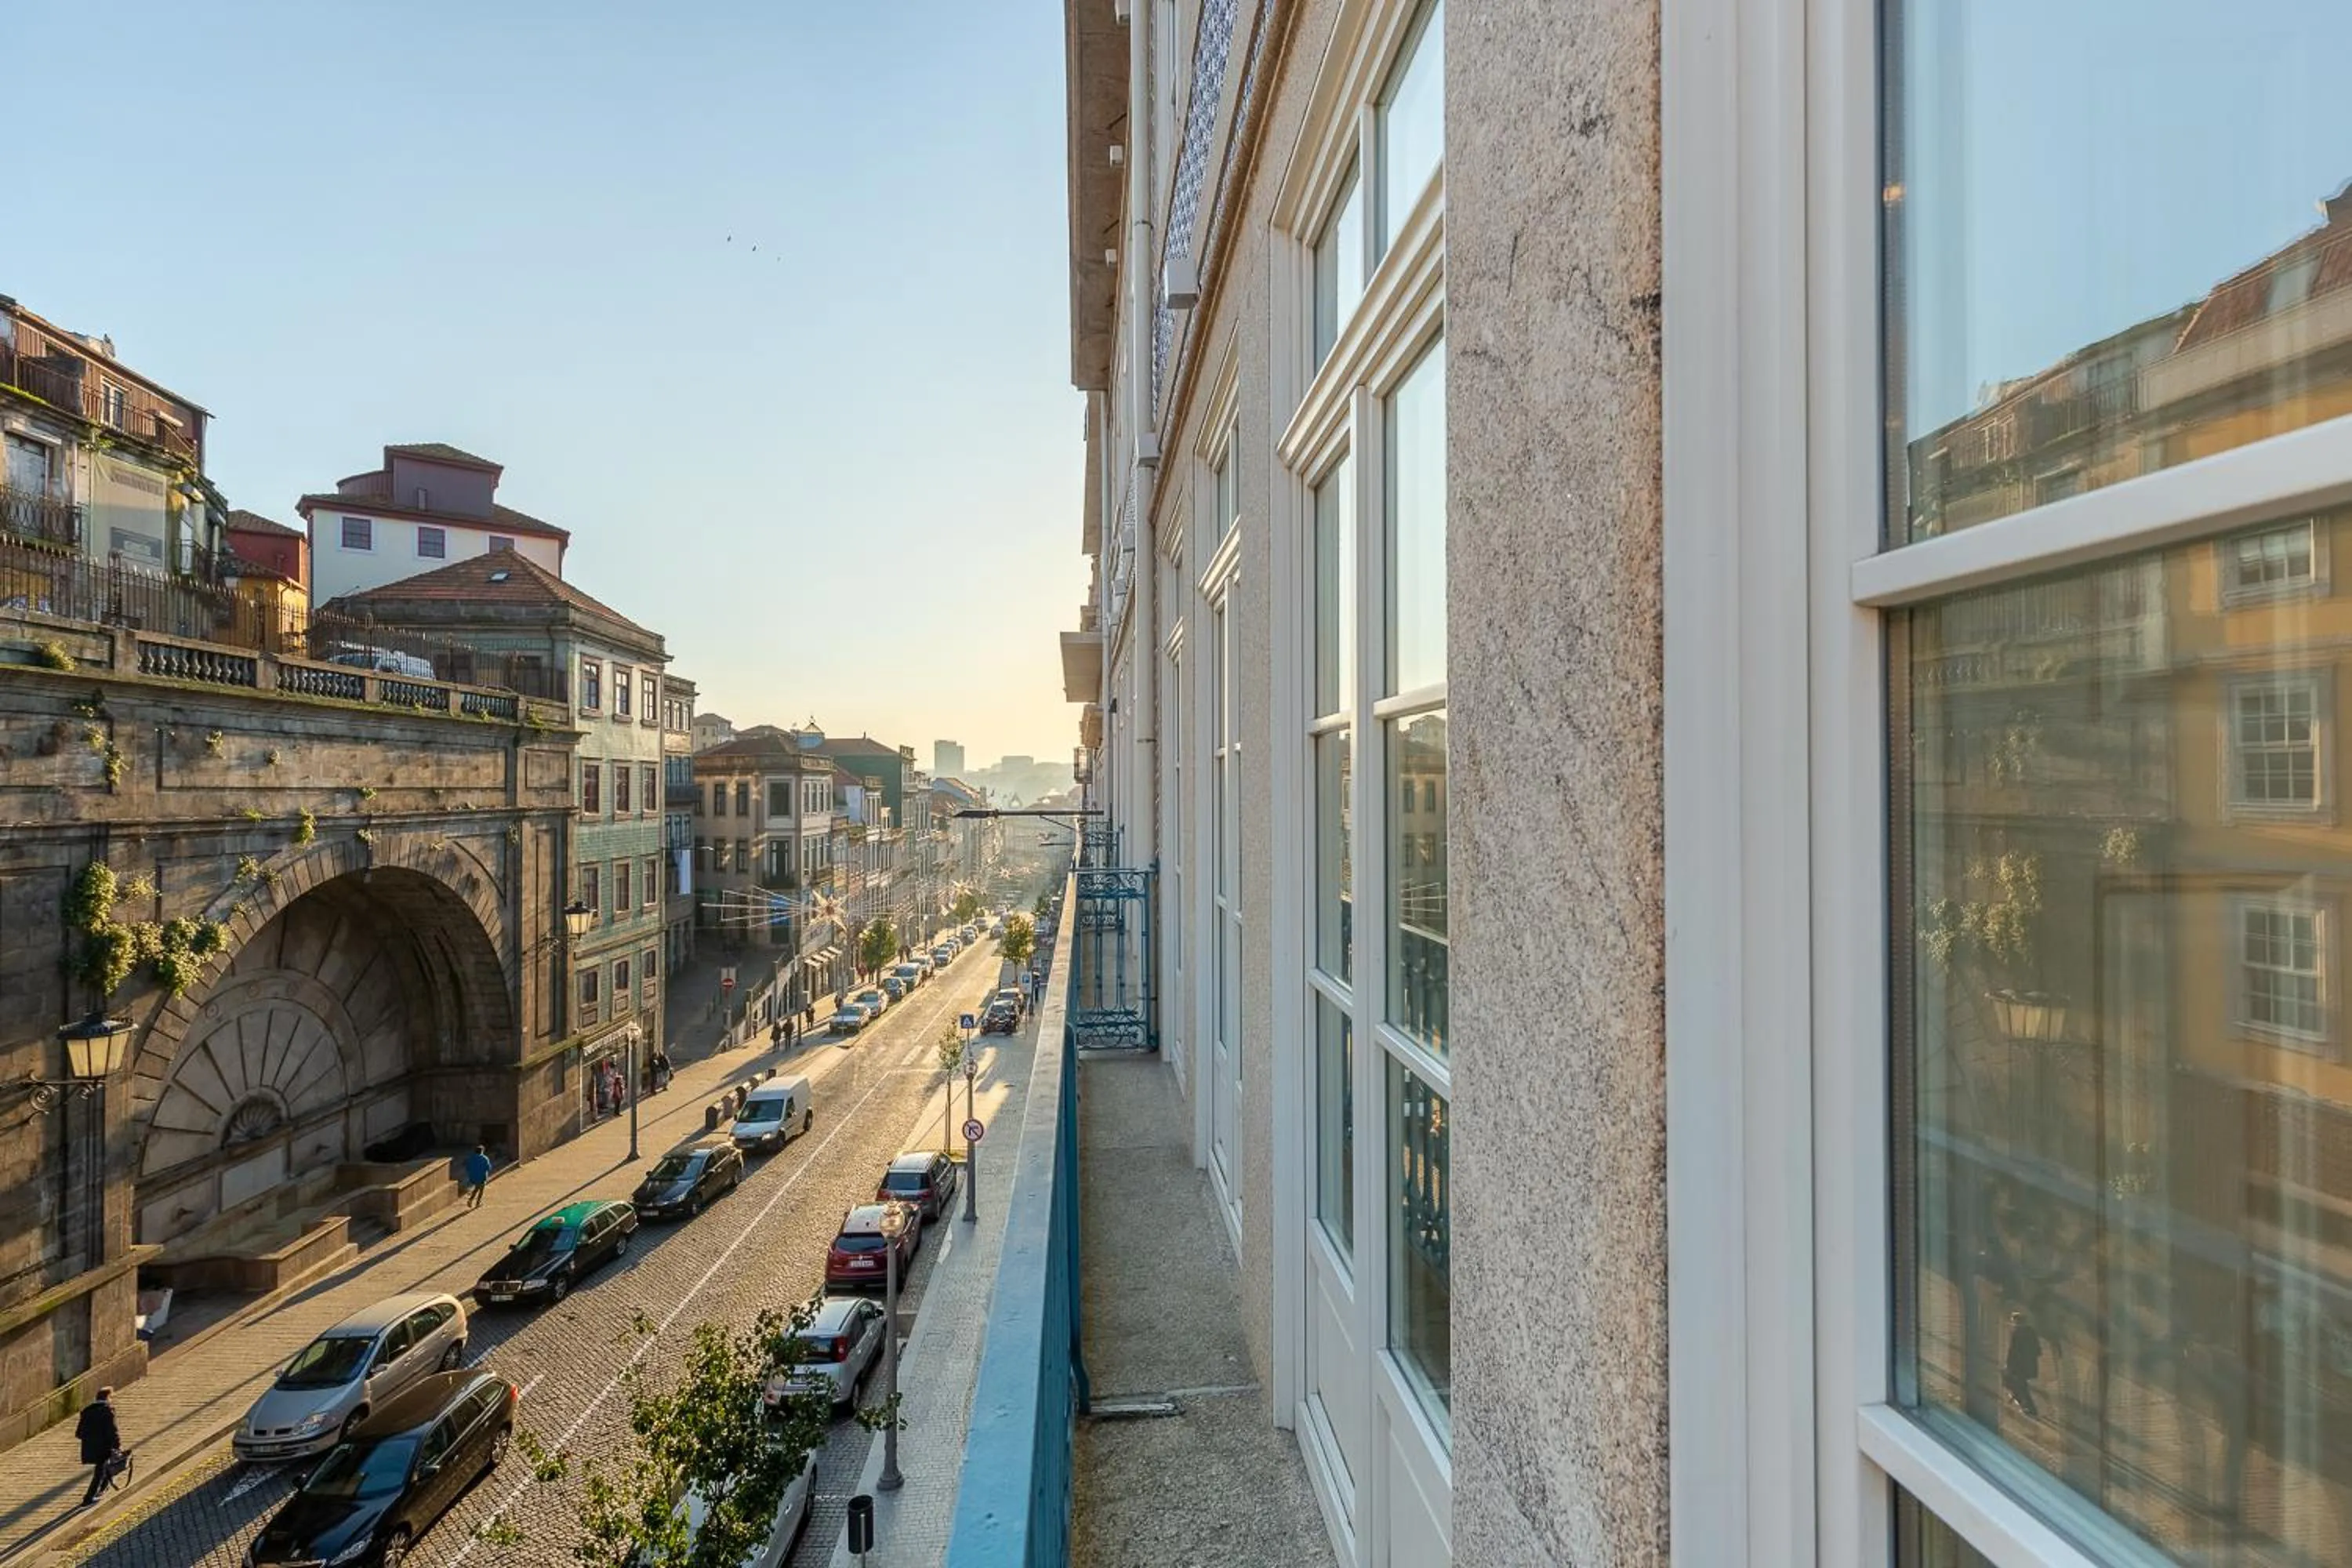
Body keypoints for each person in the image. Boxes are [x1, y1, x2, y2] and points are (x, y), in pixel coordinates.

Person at [76, 1388, 120, 1506]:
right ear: (108, 1397)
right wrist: (117, 1446)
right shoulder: (108, 1411)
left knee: (104, 1467)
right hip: (104, 1447)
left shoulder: (87, 1411)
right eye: (111, 1397)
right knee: (99, 1472)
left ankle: (103, 1489)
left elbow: (79, 1433)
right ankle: (89, 1498)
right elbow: (112, 1431)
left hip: (89, 1447)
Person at [2003, 1309, 2043, 1417]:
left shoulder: (2016, 1333)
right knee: (2021, 1385)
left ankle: (2030, 1408)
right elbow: (2038, 1351)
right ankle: (2024, 1404)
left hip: (2018, 1366)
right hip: (2029, 1365)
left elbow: (2012, 1351)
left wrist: (2008, 1365)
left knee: (2016, 1385)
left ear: (2016, 1321)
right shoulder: (2031, 1332)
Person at [462, 1145, 493, 1209]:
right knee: (481, 1190)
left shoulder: (471, 1158)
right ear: (482, 1151)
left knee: (477, 1188)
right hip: (482, 1177)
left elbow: (467, 1167)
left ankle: (471, 1200)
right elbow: (488, 1168)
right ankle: (477, 1202)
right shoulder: (485, 1158)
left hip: (473, 1177)